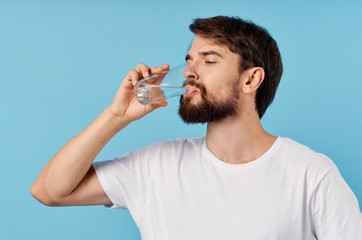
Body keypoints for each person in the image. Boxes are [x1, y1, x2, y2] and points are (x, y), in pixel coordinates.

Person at [31, 16, 362, 239]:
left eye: (209, 60)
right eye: (190, 60)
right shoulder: (155, 166)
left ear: (250, 79)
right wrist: (116, 116)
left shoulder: (310, 173)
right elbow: (48, 191)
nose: (189, 72)